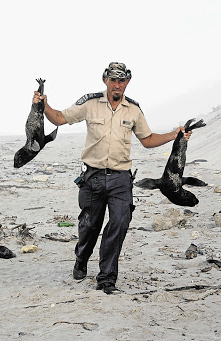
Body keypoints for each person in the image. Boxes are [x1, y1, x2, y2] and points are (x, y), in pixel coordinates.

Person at [32, 62, 192, 294]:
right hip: (93, 177)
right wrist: (44, 104)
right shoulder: (89, 103)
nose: (117, 84)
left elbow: (147, 140)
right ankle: (82, 257)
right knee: (89, 226)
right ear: (105, 80)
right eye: (113, 79)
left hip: (120, 179)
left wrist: (175, 135)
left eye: (122, 80)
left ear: (127, 82)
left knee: (119, 224)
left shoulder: (133, 110)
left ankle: (106, 278)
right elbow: (58, 119)